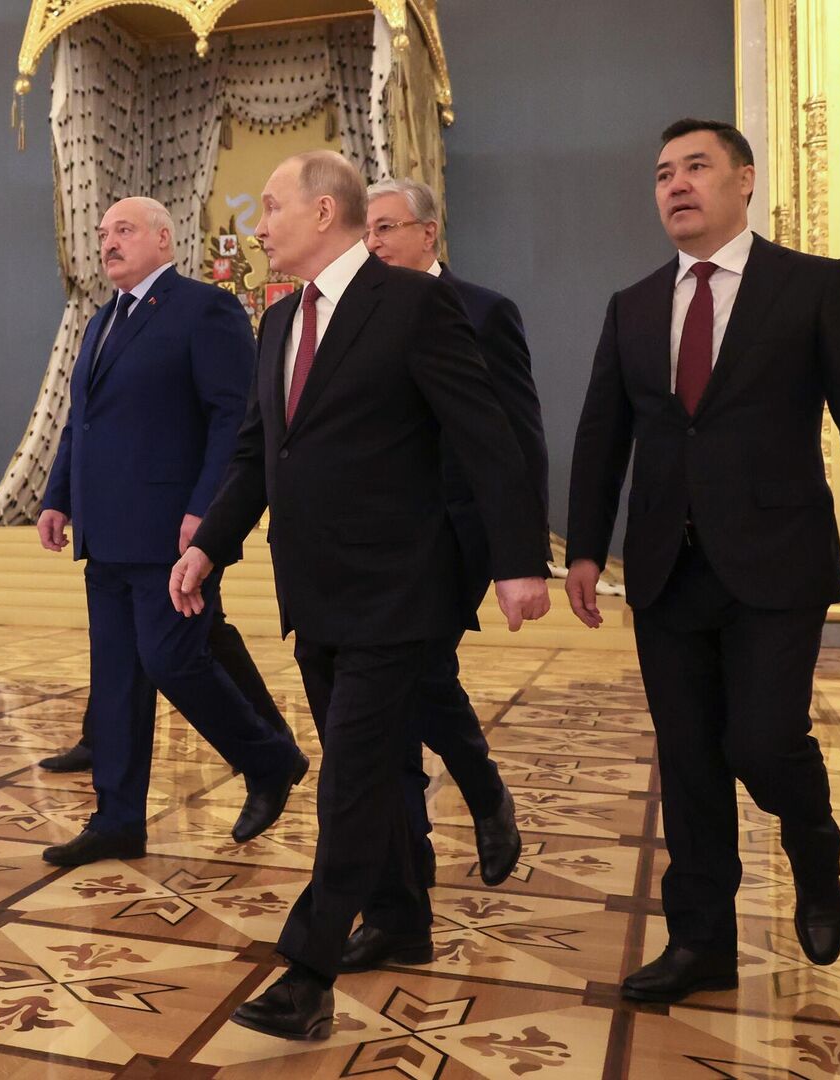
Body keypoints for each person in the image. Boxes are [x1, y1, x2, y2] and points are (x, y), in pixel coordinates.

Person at [171, 152, 550, 1040]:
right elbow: (258, 452)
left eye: (271, 207)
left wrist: (517, 559)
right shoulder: (278, 320)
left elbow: (487, 435)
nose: (259, 225)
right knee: (371, 773)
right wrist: (210, 545)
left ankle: (307, 975)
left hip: (399, 589)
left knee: (349, 777)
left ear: (323, 211)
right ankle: (402, 917)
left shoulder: (414, 304)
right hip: (314, 591)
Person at [566, 118, 840, 1003]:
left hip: (777, 560)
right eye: (662, 173)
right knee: (688, 761)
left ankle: (813, 840)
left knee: (760, 740)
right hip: (664, 566)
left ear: (744, 180)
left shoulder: (814, 285)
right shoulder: (634, 303)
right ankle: (701, 941)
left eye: (696, 167)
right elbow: (603, 435)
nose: (675, 184)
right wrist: (584, 549)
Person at [312, 177, 549, 972]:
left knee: (409, 683)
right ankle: (461, 818)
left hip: (454, 538)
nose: (374, 242)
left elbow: (514, 437)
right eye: (368, 230)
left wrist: (519, 554)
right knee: (410, 691)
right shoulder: (347, 312)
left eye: (387, 227)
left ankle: (405, 897)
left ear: (429, 233)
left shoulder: (484, 310)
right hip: (374, 544)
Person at [38, 196, 307, 869]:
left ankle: (269, 759)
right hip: (105, 533)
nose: (108, 242)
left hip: (172, 533)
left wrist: (207, 510)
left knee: (172, 660)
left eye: (124, 230)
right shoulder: (101, 320)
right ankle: (117, 821)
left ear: (164, 239)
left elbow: (233, 418)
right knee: (118, 680)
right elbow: (81, 422)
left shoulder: (204, 309)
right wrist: (58, 497)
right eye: (103, 232)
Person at [36, 610, 292, 774]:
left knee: (205, 626)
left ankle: (273, 736)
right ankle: (98, 740)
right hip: (129, 545)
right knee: (124, 627)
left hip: (184, 545)